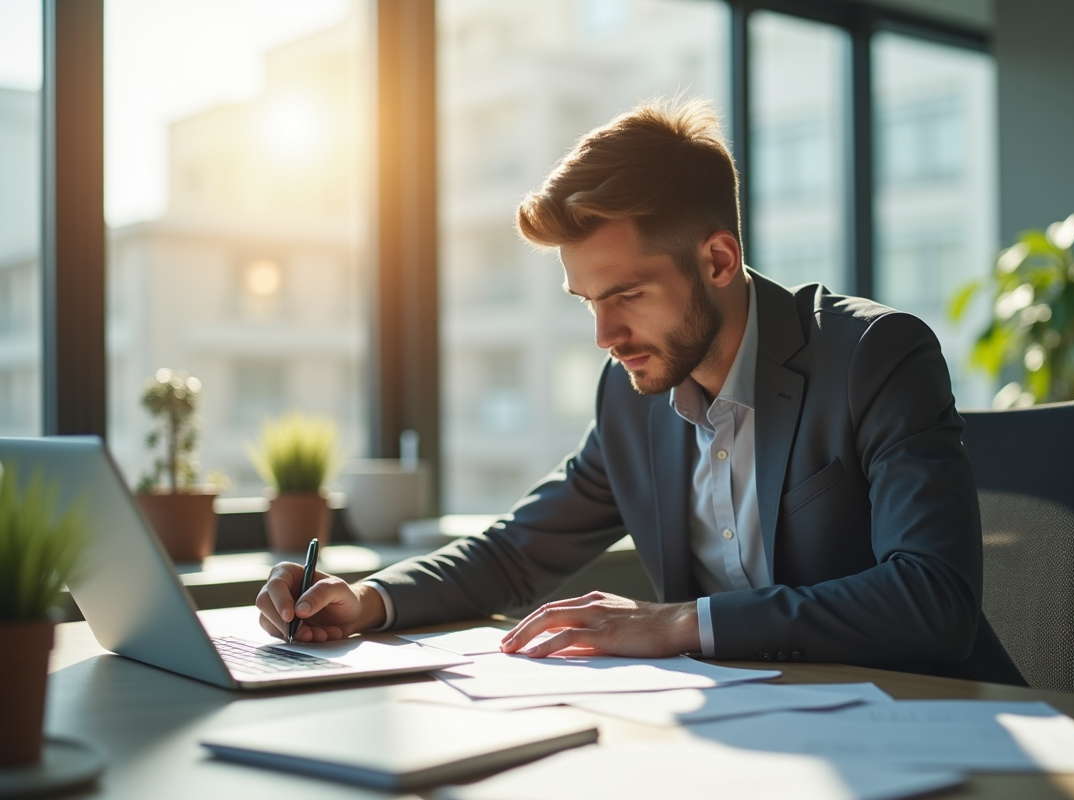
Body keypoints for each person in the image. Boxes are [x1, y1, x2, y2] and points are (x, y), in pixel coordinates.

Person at [256, 97, 1021, 683]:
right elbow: (518, 552)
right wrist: (367, 601)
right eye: (587, 302)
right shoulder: (631, 395)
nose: (604, 336)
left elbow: (933, 602)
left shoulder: (872, 356)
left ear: (718, 260)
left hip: (926, 726)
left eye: (626, 295)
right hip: (754, 738)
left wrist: (681, 624)